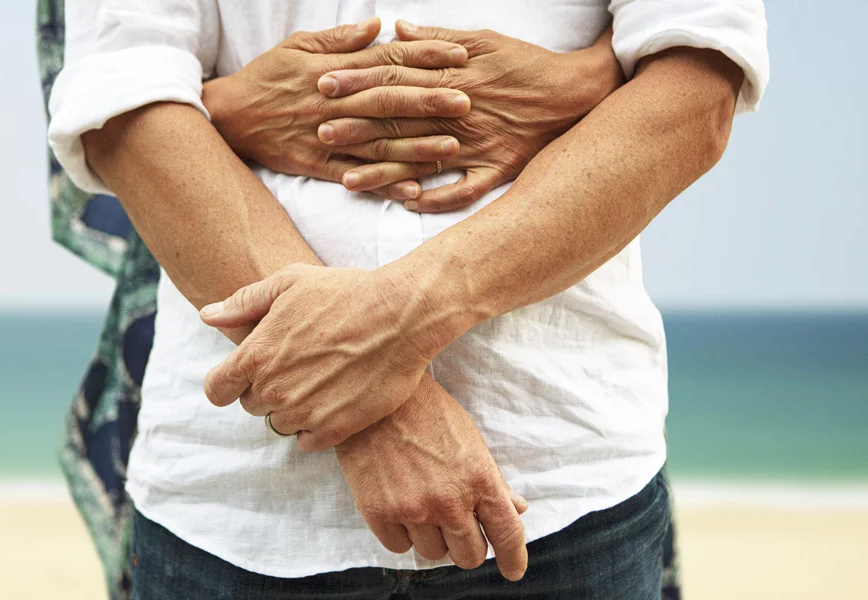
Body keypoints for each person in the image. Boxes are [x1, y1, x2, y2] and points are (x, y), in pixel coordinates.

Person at [44, 1, 768, 598]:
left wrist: (394, 326)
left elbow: (699, 81)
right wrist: (381, 417)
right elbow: (124, 107)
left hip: (558, 490)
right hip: (235, 507)